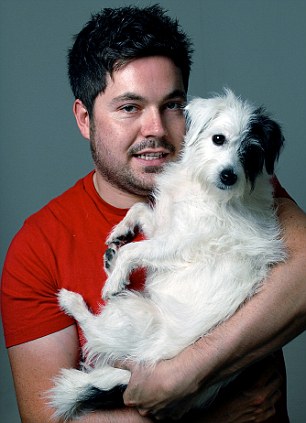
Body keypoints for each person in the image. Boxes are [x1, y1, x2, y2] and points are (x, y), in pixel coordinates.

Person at [1, 4, 305, 422]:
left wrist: (188, 371)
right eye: (129, 107)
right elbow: (46, 417)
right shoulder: (38, 247)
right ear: (85, 119)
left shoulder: (236, 185)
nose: (156, 129)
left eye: (173, 105)